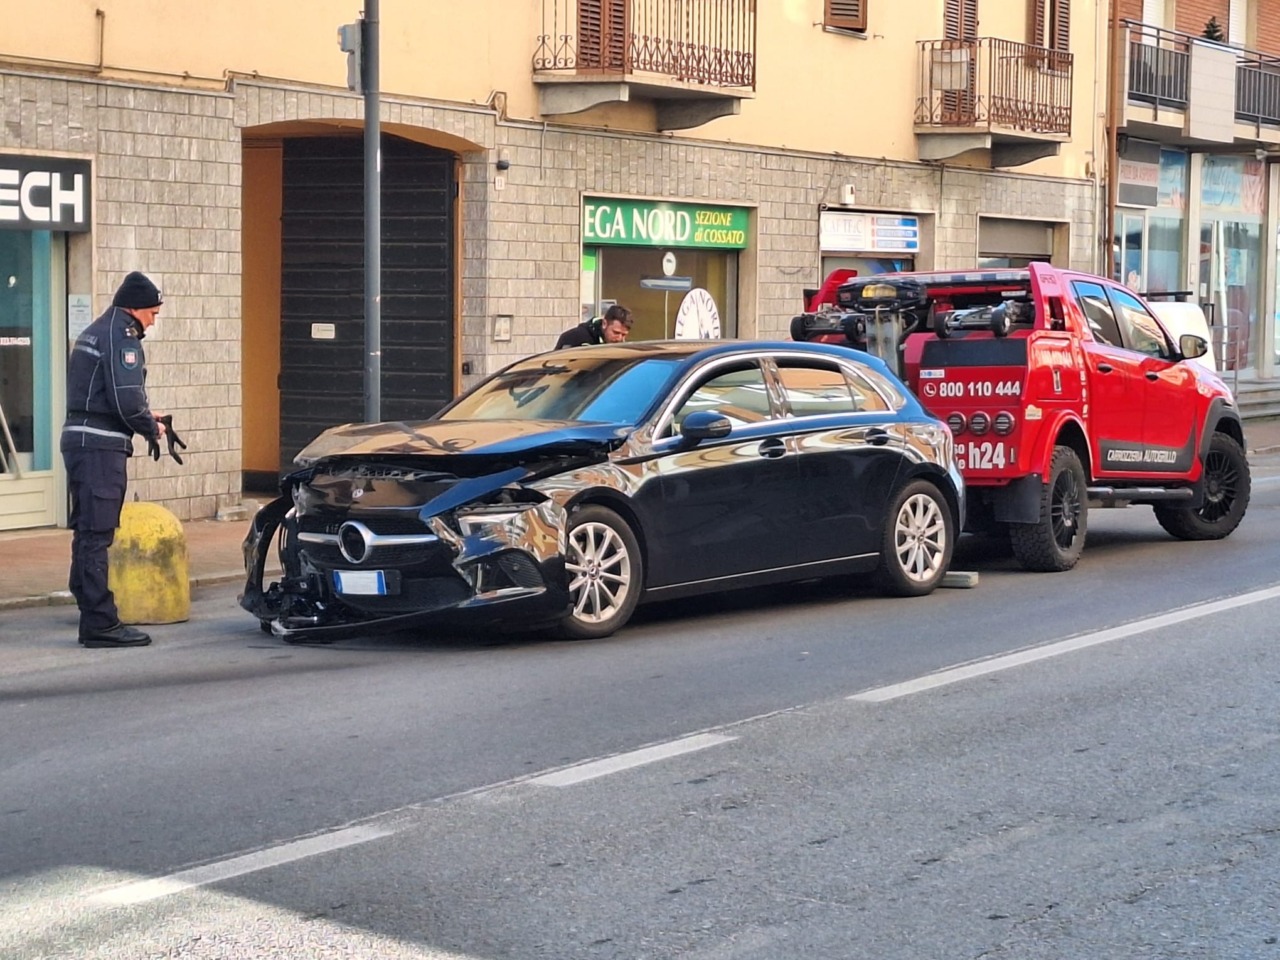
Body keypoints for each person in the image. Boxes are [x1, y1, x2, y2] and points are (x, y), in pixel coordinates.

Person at [60, 271, 167, 648]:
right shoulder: (122, 336)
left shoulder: (97, 330)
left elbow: (106, 396)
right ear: (135, 307)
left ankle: (89, 606)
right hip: (99, 447)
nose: (153, 321)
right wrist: (150, 428)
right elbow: (126, 398)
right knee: (97, 533)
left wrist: (142, 418)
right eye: (152, 313)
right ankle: (100, 623)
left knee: (87, 529)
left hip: (83, 439)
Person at [555, 304, 633, 349]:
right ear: (604, 324)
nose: (619, 338)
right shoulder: (575, 337)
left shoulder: (620, 347)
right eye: (616, 332)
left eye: (624, 335)